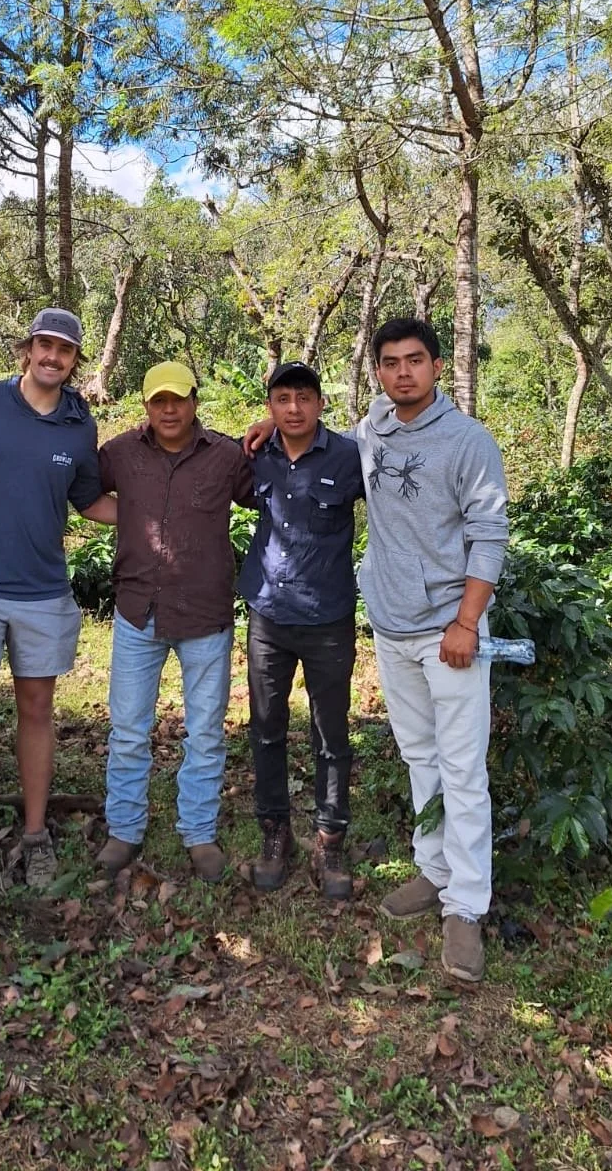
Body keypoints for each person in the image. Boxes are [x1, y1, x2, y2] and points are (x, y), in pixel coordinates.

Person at [0, 308, 114, 889]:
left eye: (64, 351)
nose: (52, 357)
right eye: (44, 346)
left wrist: (165, 514)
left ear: (75, 361)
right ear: (26, 349)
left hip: (42, 589)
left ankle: (36, 836)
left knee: (38, 711)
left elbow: (90, 501)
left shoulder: (79, 426)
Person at [357, 318, 508, 983]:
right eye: (390, 363)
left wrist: (467, 622)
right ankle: (434, 868)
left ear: (438, 366)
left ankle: (466, 906)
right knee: (420, 755)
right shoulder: (373, 430)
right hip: (391, 626)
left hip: (448, 631)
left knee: (462, 768)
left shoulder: (468, 441)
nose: (403, 373)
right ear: (380, 372)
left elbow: (488, 533)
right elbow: (327, 446)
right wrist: (274, 429)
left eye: (414, 360)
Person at [93, 361, 255, 883]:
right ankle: (124, 828)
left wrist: (271, 425)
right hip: (138, 610)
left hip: (205, 613)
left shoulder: (227, 456)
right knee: (128, 729)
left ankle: (199, 832)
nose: (169, 409)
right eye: (159, 400)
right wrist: (134, 517)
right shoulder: (119, 453)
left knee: (206, 731)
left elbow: (273, 486)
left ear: (194, 402)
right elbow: (79, 492)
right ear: (146, 404)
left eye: (178, 399)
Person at [238, 362, 364, 899]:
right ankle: (275, 834)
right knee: (266, 726)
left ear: (320, 403)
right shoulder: (253, 455)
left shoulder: (350, 456)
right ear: (270, 405)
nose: (293, 408)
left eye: (304, 398)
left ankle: (329, 839)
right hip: (268, 615)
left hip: (328, 617)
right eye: (282, 399)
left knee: (331, 734)